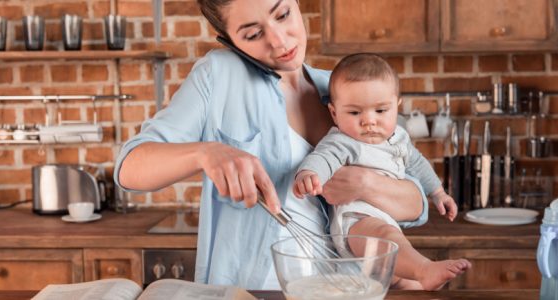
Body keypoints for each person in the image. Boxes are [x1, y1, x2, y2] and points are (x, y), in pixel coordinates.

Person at [115, 0, 432, 290]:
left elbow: (416, 204)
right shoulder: (218, 75)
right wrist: (205, 152)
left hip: (346, 290)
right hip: (253, 292)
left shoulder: (340, 90)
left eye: (283, 14)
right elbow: (130, 166)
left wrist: (364, 183)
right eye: (253, 34)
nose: (280, 41)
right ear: (229, 41)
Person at [293, 53, 471, 290]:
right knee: (385, 236)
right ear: (334, 113)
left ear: (396, 106)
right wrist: (308, 174)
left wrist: (438, 193)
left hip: (387, 219)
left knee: (405, 279)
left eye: (380, 110)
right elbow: (323, 159)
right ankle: (425, 268)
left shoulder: (399, 138)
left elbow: (418, 164)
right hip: (356, 219)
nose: (369, 121)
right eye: (355, 113)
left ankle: (419, 278)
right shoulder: (343, 141)